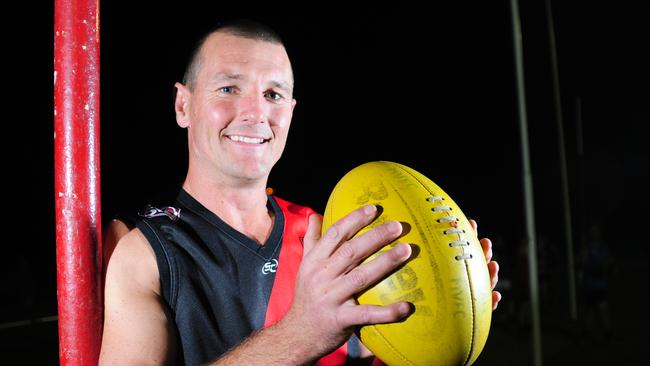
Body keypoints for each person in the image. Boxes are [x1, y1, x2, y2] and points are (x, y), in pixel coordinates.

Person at [99, 19, 502, 365]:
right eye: (229, 89)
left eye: (272, 95)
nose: (256, 112)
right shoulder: (144, 253)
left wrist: (444, 313)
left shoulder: (329, 236)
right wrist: (302, 334)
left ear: (289, 113)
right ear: (183, 106)